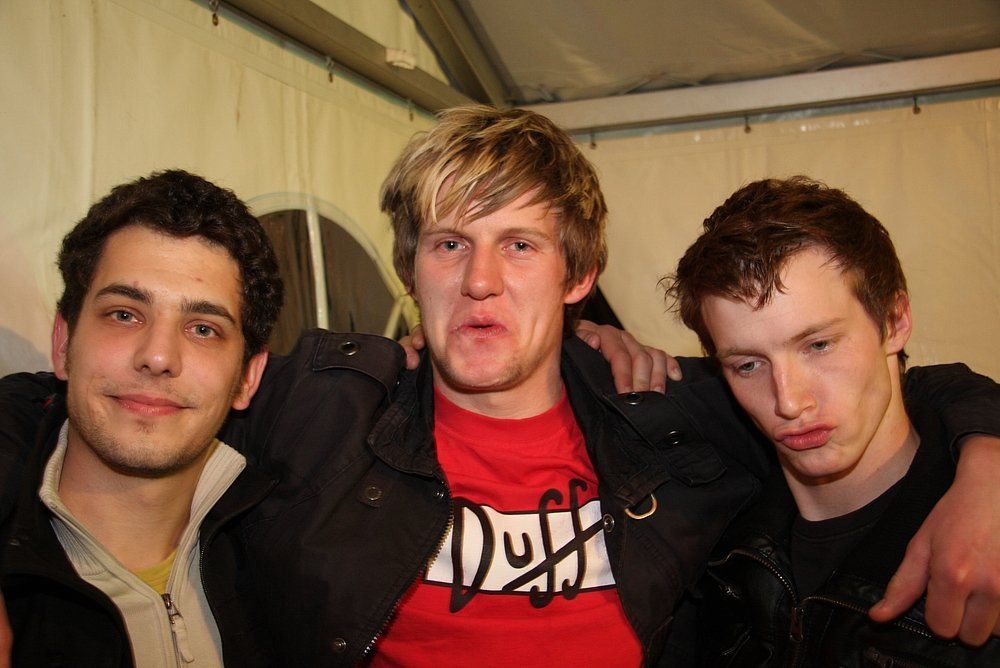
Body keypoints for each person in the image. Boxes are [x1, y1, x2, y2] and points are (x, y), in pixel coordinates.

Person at [0, 111, 997, 667]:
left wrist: (986, 466)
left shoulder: (677, 420)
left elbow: (880, 383)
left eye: (519, 245)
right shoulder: (320, 406)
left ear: (577, 272)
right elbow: (76, 402)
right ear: (410, 269)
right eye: (449, 244)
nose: (480, 281)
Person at [664, 176, 1000, 663]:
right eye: (748, 365)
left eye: (819, 345)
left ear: (894, 321)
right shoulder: (714, 544)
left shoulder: (985, 534)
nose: (789, 402)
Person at [0, 170, 283, 665]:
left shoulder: (291, 569)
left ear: (246, 378)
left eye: (203, 328)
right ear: (63, 344)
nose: (157, 356)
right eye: (124, 314)